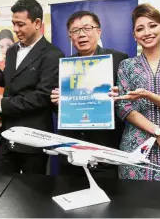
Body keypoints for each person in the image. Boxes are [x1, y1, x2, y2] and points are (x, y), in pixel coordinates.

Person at [0, 0, 64, 175]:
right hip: (6, 135)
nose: (15, 30)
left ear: (37, 23)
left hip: (32, 139)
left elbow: (43, 96)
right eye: (13, 24)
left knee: (32, 194)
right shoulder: (12, 51)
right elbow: (12, 83)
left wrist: (3, 104)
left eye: (20, 24)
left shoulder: (52, 55)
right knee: (3, 192)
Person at [113, 3, 160, 182]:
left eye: (152, 25)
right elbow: (123, 107)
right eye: (140, 29)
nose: (147, 32)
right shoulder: (127, 66)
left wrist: (149, 95)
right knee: (133, 205)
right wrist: (158, 132)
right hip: (134, 147)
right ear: (134, 36)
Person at [50, 11, 128, 179]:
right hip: (72, 152)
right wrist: (58, 103)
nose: (82, 34)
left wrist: (120, 96)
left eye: (87, 28)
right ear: (70, 36)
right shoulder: (63, 66)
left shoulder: (118, 60)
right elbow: (59, 112)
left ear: (98, 31)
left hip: (105, 150)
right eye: (75, 30)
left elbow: (130, 102)